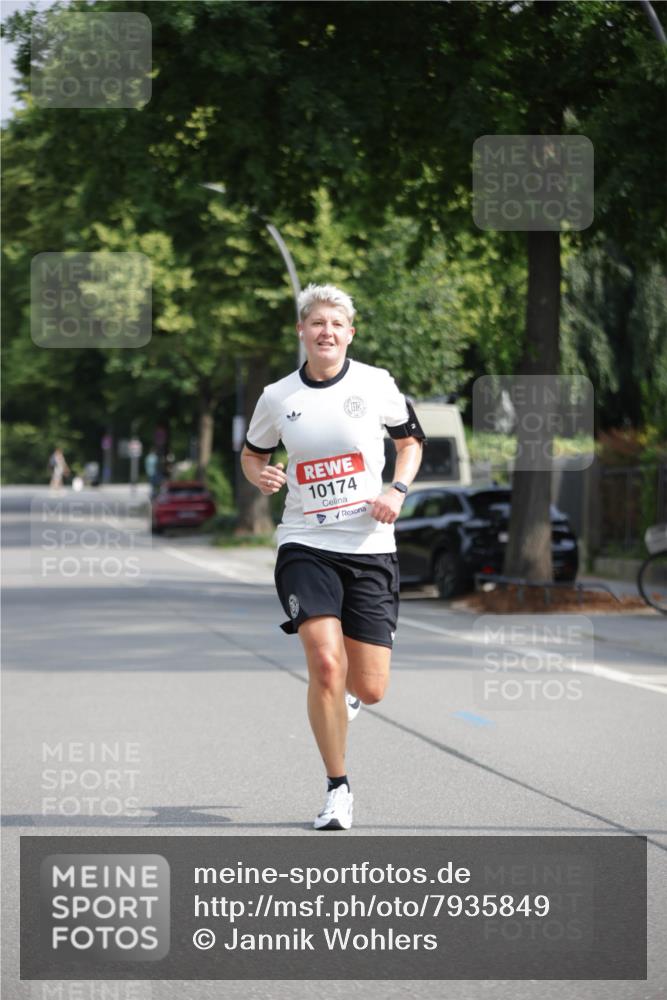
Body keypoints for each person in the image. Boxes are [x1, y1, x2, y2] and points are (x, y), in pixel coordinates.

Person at [241, 283, 425, 830]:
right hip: (305, 543)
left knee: (369, 687)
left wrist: (396, 489)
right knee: (325, 664)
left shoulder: (376, 384)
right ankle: (337, 791)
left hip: (369, 546)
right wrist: (263, 476)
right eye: (316, 322)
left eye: (336, 324)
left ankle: (346, 701)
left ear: (350, 333)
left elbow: (410, 442)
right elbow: (253, 456)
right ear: (302, 330)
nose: (326, 332)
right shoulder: (278, 397)